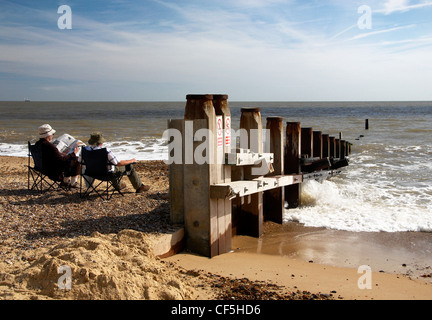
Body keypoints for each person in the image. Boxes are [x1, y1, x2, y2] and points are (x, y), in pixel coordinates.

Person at [81, 132, 150, 193]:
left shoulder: (85, 150)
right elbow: (118, 163)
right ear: (101, 142)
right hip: (106, 174)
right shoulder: (105, 151)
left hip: (91, 173)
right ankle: (139, 187)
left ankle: (119, 185)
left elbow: (80, 161)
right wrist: (131, 161)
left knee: (111, 167)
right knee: (129, 167)